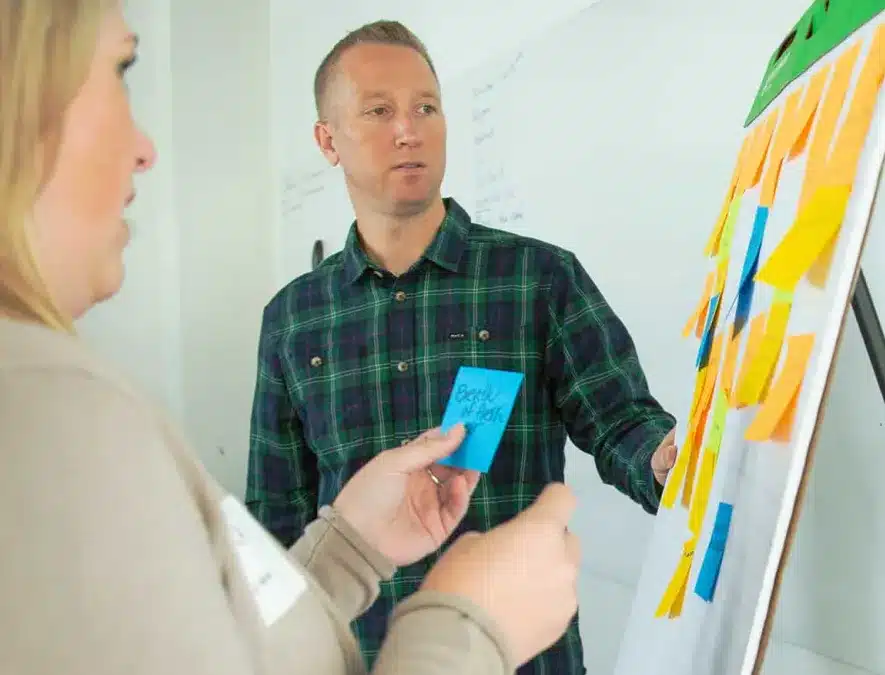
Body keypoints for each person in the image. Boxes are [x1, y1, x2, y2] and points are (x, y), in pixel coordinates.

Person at [0, 3, 584, 674]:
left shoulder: (540, 274)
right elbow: (271, 508)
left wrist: (345, 548)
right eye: (121, 70)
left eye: (426, 107)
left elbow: (236, 636)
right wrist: (468, 628)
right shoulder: (44, 408)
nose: (146, 148)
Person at [246, 18, 679, 675]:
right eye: (378, 110)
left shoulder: (538, 278)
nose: (408, 129)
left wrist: (663, 459)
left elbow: (621, 421)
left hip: (521, 655)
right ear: (326, 140)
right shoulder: (292, 320)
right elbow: (275, 522)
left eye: (426, 107)